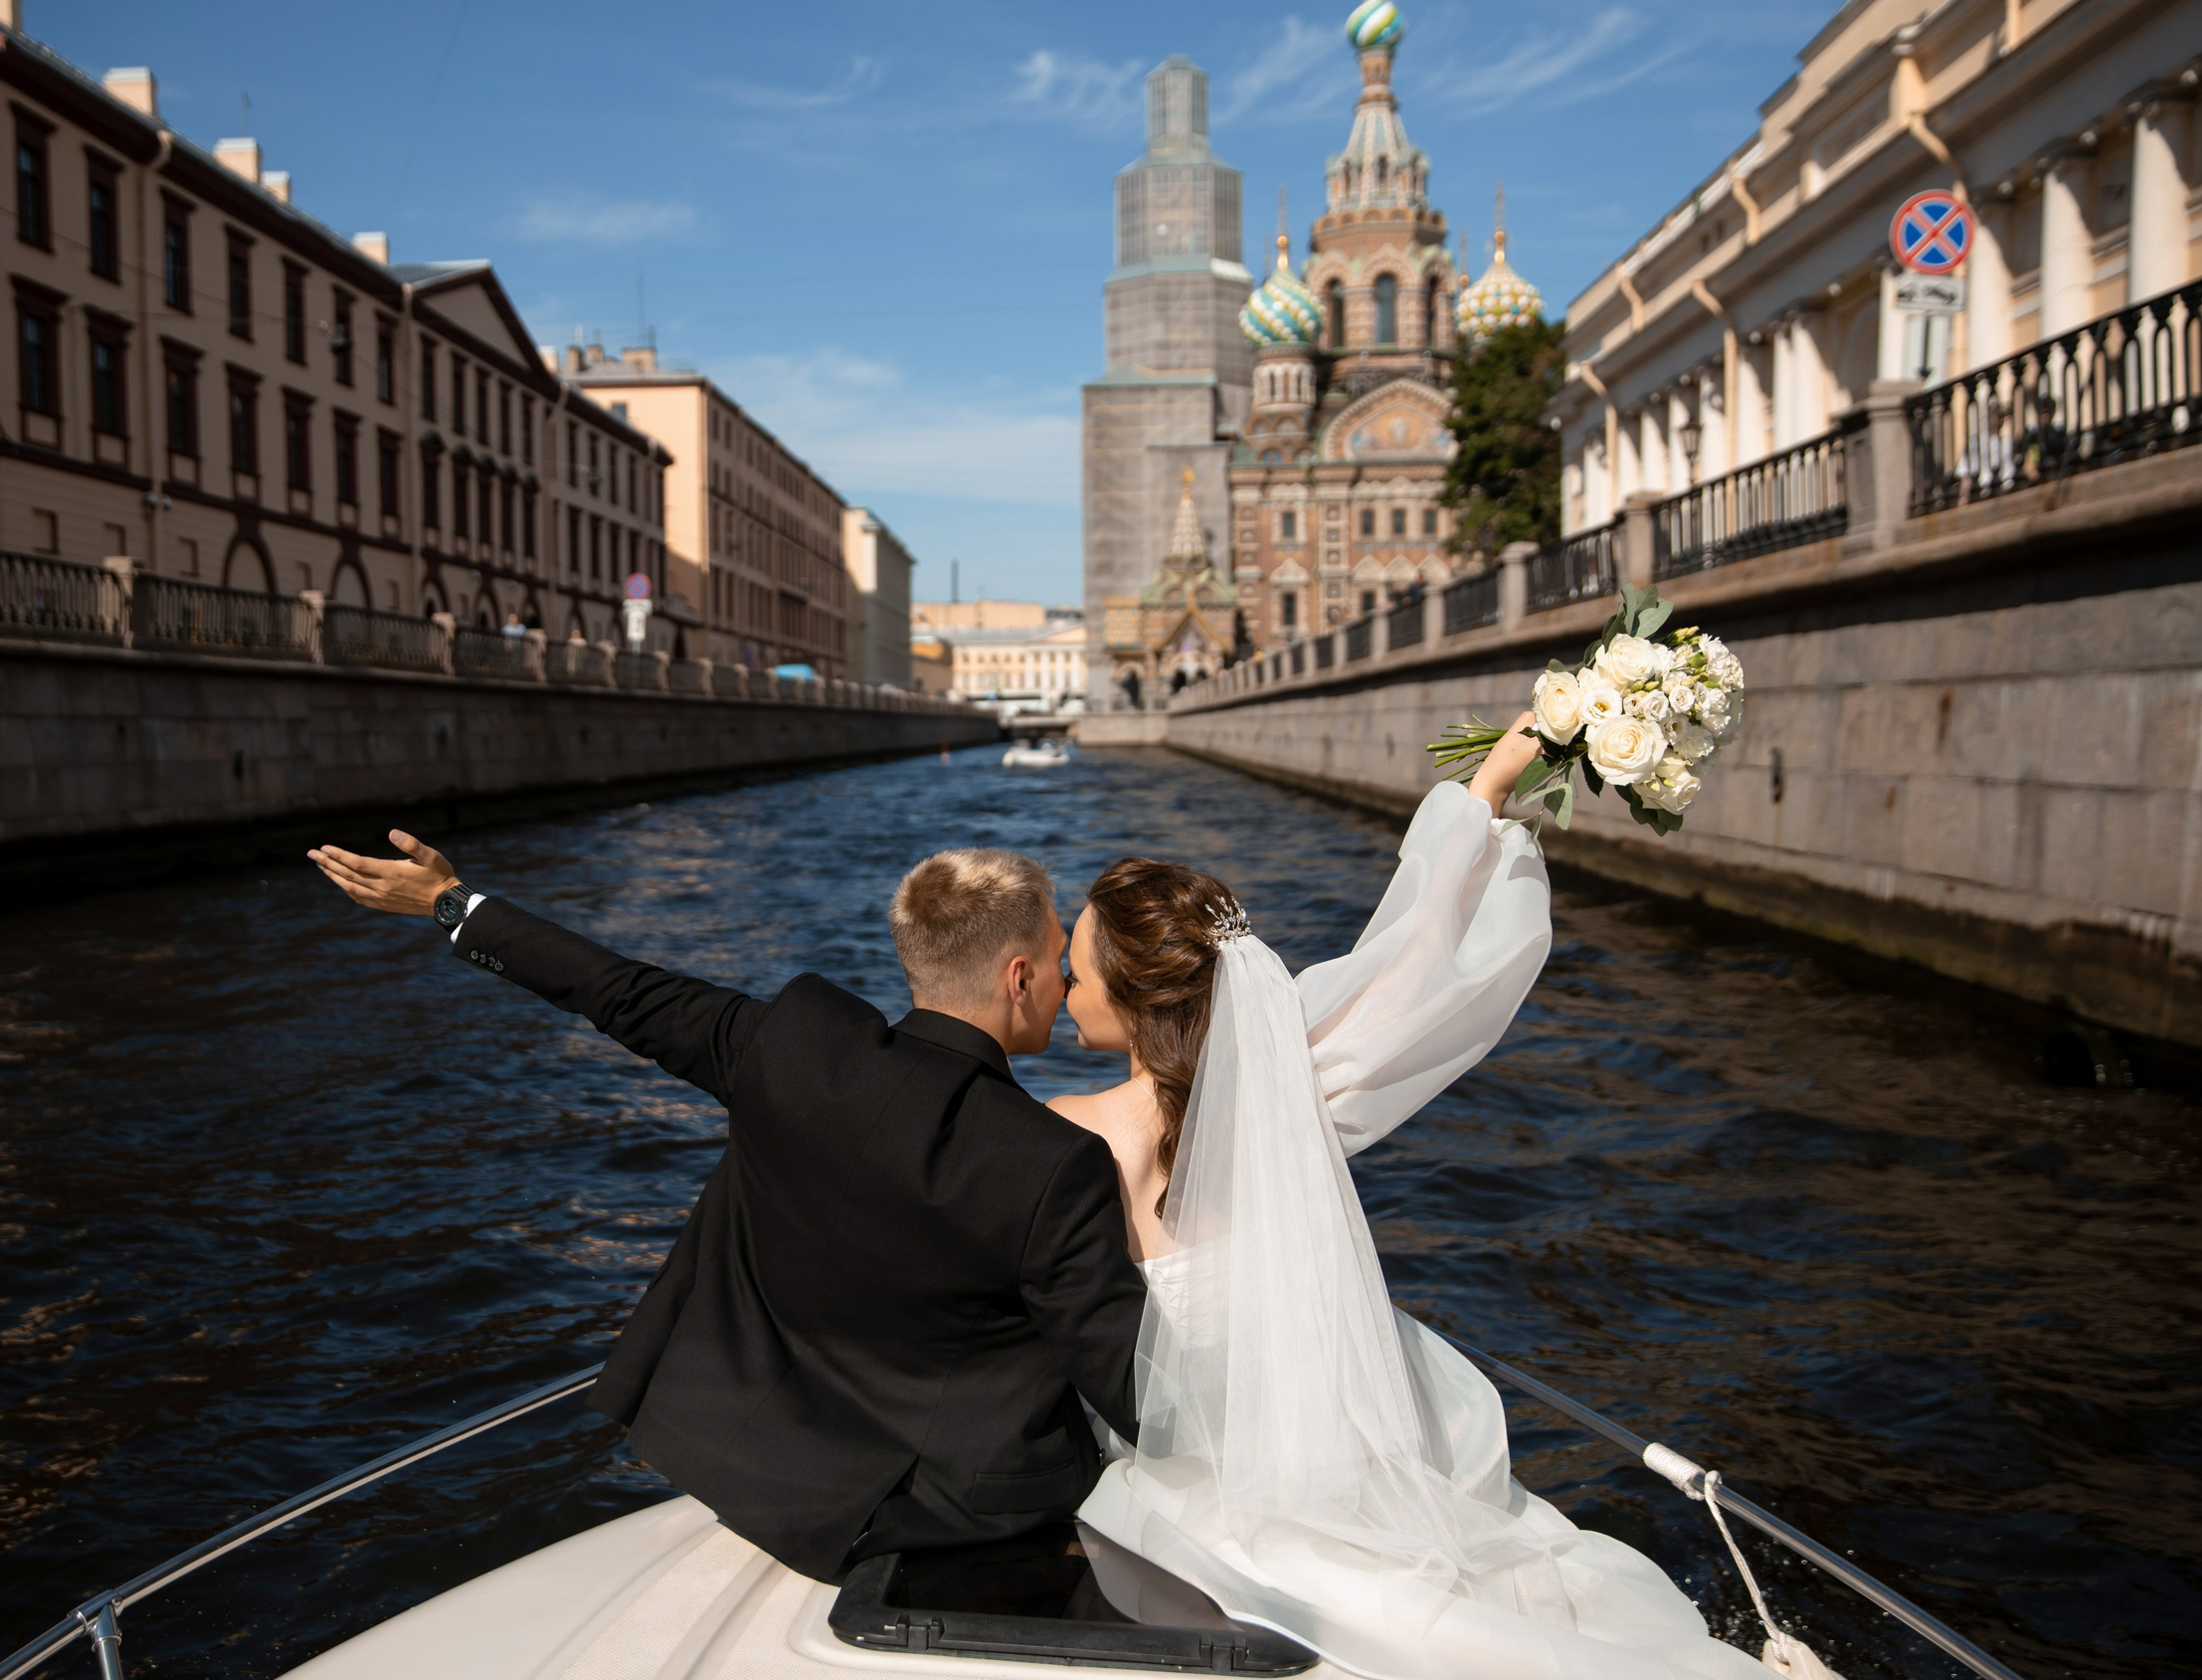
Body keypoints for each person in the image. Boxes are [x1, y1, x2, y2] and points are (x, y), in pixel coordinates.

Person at [1051, 712, 1770, 1680]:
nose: (1062, 985)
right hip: (1324, 1437)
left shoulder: (1074, 1133)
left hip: (1197, 1457)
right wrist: (1486, 795)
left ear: (1128, 993)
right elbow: (1409, 969)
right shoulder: (1288, 1082)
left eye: (1075, 967)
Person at [307, 835, 1144, 1584]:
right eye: (1061, 959)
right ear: (1019, 976)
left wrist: (451, 903)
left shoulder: (788, 1047)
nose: (1068, 978)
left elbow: (616, 990)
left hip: (751, 1462)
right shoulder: (1050, 1160)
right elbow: (1130, 1384)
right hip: (950, 1513)